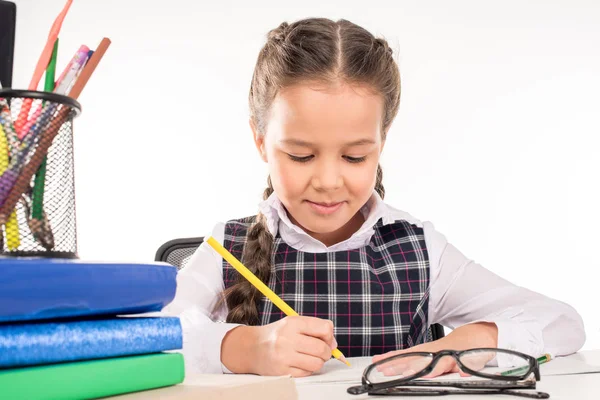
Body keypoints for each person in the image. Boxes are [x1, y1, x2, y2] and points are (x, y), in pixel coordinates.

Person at [162, 17, 585, 377]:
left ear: (381, 144)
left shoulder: (419, 249)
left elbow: (564, 324)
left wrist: (469, 340)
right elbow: (151, 334)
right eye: (301, 155)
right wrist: (241, 348)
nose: (328, 180)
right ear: (260, 143)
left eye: (354, 156)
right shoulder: (228, 249)